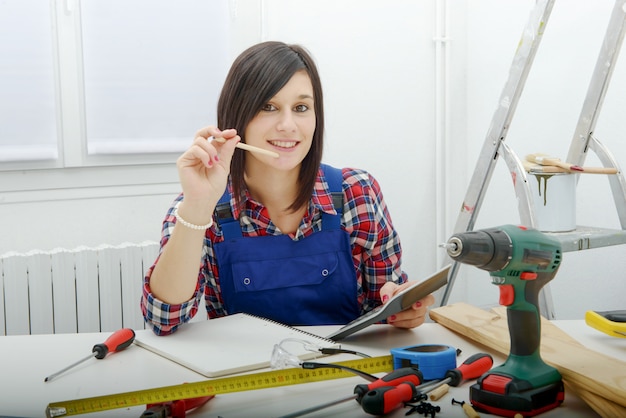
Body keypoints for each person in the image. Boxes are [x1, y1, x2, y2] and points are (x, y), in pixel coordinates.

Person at [141, 41, 435, 336]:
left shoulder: (356, 193)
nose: (287, 124)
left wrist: (403, 309)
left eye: (301, 107)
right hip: (244, 377)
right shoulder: (200, 209)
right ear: (236, 116)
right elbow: (163, 320)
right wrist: (198, 204)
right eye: (268, 106)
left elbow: (383, 310)